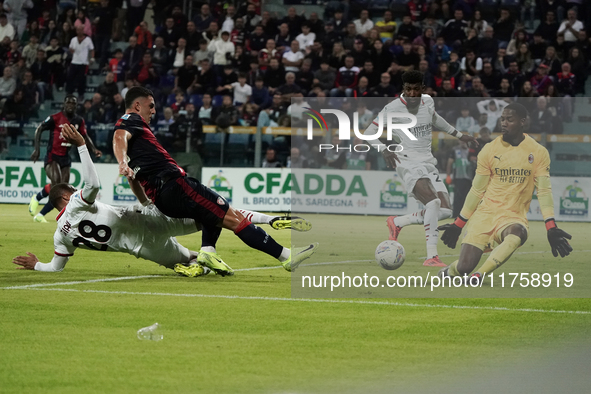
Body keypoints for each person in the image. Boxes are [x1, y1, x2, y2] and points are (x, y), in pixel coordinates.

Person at [14, 124, 312, 274]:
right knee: (215, 211)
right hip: (149, 220)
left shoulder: (59, 237)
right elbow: (92, 184)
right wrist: (81, 146)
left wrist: (36, 265)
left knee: (193, 259)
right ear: (65, 196)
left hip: (144, 250)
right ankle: (271, 233)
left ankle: (205, 259)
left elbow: (55, 267)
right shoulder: (76, 202)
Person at [112, 87, 318, 276]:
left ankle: (208, 251)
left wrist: (145, 201)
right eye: (151, 106)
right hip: (175, 185)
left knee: (213, 211)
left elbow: (133, 177)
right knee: (232, 217)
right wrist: (121, 162)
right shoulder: (130, 119)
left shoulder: (137, 144)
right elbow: (119, 137)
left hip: (164, 195)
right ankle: (286, 256)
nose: (154, 111)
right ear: (138, 105)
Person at [438, 103, 572, 283]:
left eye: (510, 119)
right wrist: (458, 224)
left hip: (512, 216)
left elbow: (544, 190)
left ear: (522, 122)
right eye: (502, 119)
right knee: (464, 267)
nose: (504, 123)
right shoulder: (489, 150)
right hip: (485, 215)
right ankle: (452, 270)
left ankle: (479, 275)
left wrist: (551, 226)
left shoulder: (539, 152)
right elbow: (477, 190)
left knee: (517, 233)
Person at [363, 70, 478, 267]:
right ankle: (431, 256)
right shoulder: (392, 108)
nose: (412, 93)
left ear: (422, 89)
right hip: (406, 160)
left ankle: (397, 222)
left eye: (416, 89)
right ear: (404, 89)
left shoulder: (428, 102)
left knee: (444, 210)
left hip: (427, 161)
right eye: (408, 89)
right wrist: (383, 149)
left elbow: (435, 119)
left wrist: (460, 135)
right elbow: (368, 133)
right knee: (432, 202)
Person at [28, 95, 102, 222]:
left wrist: (94, 149)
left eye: (73, 103)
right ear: (64, 104)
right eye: (68, 102)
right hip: (52, 157)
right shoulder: (55, 118)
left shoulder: (79, 120)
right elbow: (39, 129)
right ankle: (42, 211)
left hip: (66, 158)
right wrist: (37, 149)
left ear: (76, 106)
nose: (70, 105)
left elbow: (84, 135)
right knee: (57, 185)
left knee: (64, 189)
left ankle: (38, 204)